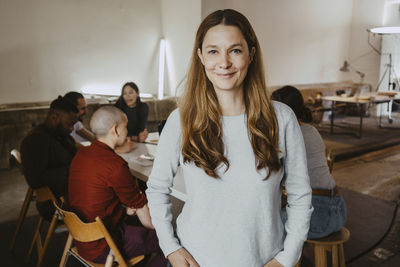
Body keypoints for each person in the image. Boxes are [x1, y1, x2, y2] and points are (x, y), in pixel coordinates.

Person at [146, 9, 312, 267]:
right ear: (200, 56)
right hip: (195, 260)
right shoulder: (181, 120)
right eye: (213, 51)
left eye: (235, 50)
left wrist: (288, 257)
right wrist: (170, 248)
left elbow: (300, 195)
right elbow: (157, 189)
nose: (224, 63)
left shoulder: (282, 119)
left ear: (251, 54)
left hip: (264, 260)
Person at [68, 106, 167, 266]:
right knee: (172, 241)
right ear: (115, 129)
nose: (127, 131)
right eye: (125, 127)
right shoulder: (115, 166)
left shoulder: (82, 154)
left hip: (83, 239)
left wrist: (125, 208)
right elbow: (146, 220)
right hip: (106, 246)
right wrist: (166, 228)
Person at [272, 85, 347, 239]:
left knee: (264, 224)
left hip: (318, 215)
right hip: (338, 210)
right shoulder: (312, 131)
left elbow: (271, 177)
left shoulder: (288, 136)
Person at [21, 96, 78, 219]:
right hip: (57, 206)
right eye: (69, 124)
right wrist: (74, 171)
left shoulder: (59, 135)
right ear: (54, 116)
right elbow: (36, 180)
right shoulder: (36, 140)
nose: (72, 129)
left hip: (69, 195)